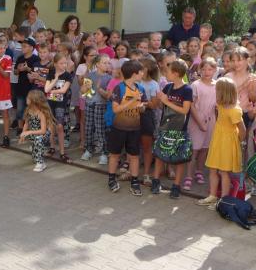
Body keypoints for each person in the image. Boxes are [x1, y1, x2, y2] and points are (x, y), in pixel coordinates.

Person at [197, 77, 245, 208]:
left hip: (228, 143)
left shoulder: (235, 110)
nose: (215, 91)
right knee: (213, 169)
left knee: (224, 172)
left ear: (223, 92)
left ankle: (223, 200)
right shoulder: (220, 105)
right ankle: (212, 196)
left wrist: (239, 143)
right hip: (218, 140)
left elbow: (242, 130)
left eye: (217, 89)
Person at [149, 59, 193, 198]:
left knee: (179, 158)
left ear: (176, 73)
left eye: (168, 71)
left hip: (180, 130)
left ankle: (176, 186)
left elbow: (185, 110)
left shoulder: (187, 90)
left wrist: (166, 101)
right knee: (159, 155)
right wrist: (158, 100)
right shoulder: (168, 87)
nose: (165, 73)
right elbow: (161, 106)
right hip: (165, 127)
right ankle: (156, 181)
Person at [106, 60, 148, 194]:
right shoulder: (119, 88)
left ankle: (134, 181)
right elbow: (115, 109)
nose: (143, 74)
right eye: (141, 72)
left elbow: (143, 107)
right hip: (118, 128)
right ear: (134, 74)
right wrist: (132, 100)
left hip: (134, 129)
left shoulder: (141, 88)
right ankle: (111, 179)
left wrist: (141, 107)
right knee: (115, 154)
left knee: (134, 156)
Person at [185, 58, 218, 190]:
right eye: (204, 69)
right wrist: (199, 123)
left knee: (205, 149)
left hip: (211, 121)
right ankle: (188, 176)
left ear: (215, 70)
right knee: (194, 149)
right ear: (200, 70)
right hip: (196, 121)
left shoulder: (217, 85)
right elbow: (191, 106)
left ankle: (199, 171)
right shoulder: (196, 85)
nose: (207, 72)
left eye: (210, 69)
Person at [82, 54, 112, 165]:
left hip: (101, 105)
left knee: (100, 129)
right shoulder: (90, 75)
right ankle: (89, 149)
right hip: (90, 104)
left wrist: (99, 89)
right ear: (98, 64)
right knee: (89, 127)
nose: (107, 65)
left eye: (108, 63)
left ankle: (104, 152)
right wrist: (86, 88)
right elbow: (85, 92)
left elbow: (108, 96)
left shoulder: (109, 78)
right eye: (105, 63)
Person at [45, 52, 73, 163]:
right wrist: (55, 79)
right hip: (50, 103)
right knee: (51, 126)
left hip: (60, 104)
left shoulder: (67, 75)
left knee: (60, 126)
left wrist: (51, 90)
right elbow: (46, 89)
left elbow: (63, 90)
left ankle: (62, 152)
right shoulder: (51, 73)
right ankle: (52, 147)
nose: (64, 65)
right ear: (55, 64)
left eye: (65, 63)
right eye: (61, 63)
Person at [19, 91, 55, 172]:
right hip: (34, 133)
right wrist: (23, 134)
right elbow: (26, 124)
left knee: (38, 139)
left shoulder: (41, 113)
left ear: (34, 100)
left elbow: (43, 131)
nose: (26, 99)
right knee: (35, 157)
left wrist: (29, 132)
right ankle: (37, 151)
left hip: (43, 134)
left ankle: (41, 163)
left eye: (28, 98)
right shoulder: (28, 110)